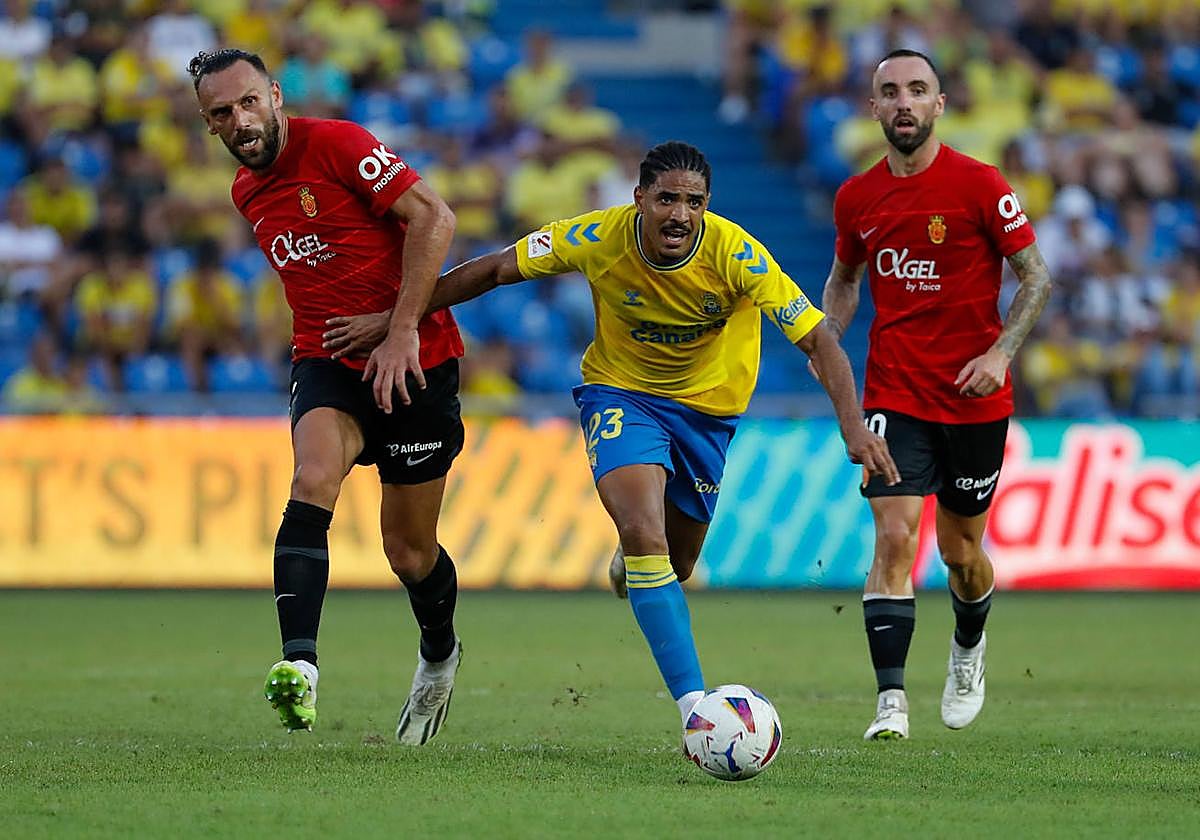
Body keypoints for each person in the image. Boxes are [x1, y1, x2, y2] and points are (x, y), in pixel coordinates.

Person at [324, 140, 899, 735]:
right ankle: (694, 709)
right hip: (621, 395)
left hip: (709, 416)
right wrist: (399, 320)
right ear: (639, 199)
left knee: (674, 561)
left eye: (694, 202)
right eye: (667, 199)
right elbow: (495, 269)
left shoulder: (739, 256)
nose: (680, 213)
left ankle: (636, 560)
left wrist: (852, 427)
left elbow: (819, 340)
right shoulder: (595, 235)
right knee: (644, 531)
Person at [189, 48, 465, 745]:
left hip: (417, 360)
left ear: (275, 95)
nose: (240, 120)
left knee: (407, 553)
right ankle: (300, 668)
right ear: (209, 124)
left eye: (249, 102)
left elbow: (435, 218)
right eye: (222, 113)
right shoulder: (245, 193)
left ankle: (439, 653)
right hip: (329, 357)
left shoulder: (339, 144)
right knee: (312, 478)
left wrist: (400, 330)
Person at [821, 50, 1053, 740]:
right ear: (873, 108)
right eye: (889, 92)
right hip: (894, 391)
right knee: (895, 537)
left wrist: (1000, 352)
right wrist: (825, 336)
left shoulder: (981, 186)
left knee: (959, 554)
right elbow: (844, 279)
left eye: (916, 91)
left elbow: (1036, 277)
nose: (903, 103)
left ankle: (968, 647)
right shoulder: (856, 197)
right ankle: (891, 702)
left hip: (976, 400)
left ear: (939, 104)